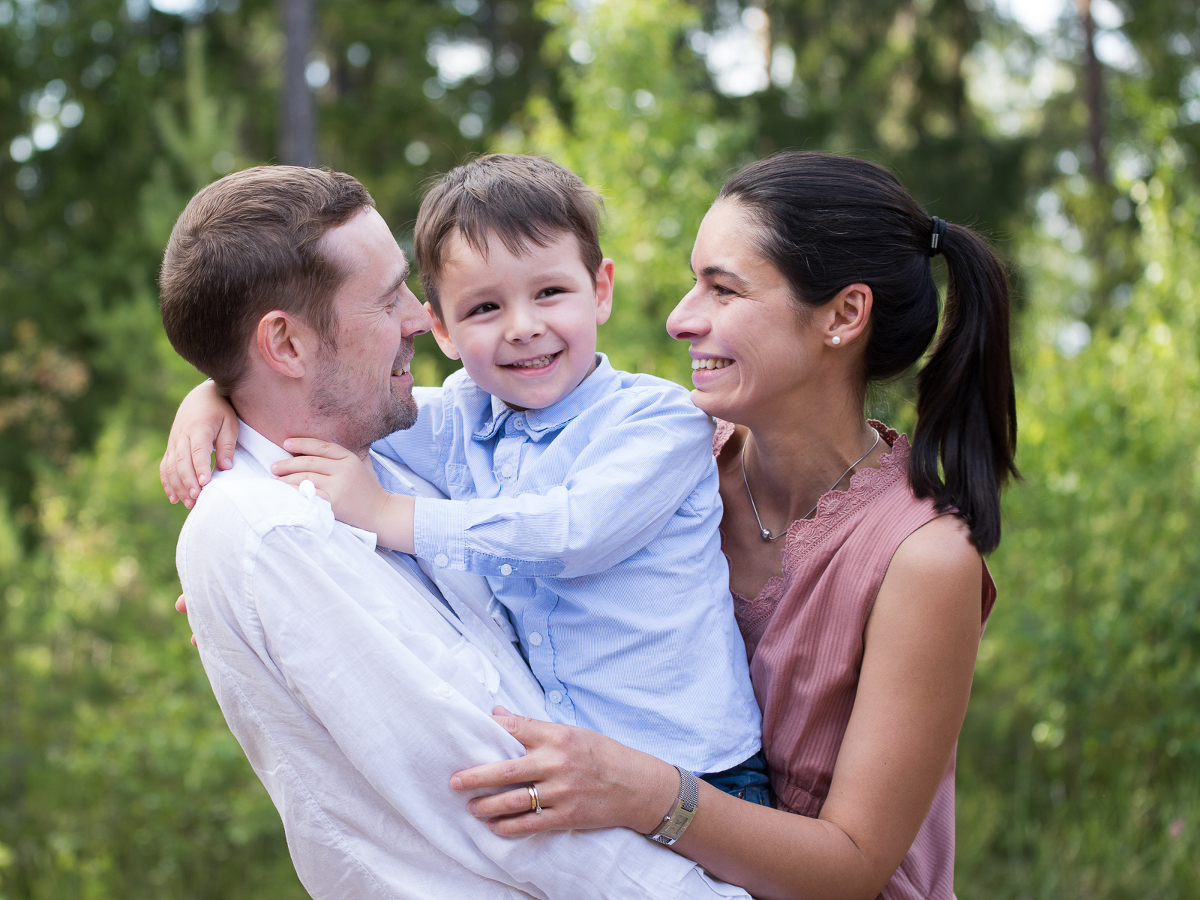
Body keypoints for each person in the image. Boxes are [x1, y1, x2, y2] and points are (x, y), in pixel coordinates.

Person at [159, 164, 752, 900]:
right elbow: (506, 816)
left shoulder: (646, 423)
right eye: (392, 299)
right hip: (616, 825)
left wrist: (382, 513)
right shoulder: (314, 507)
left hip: (703, 771)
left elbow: (572, 530)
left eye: (549, 293)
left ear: (600, 288)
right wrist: (213, 389)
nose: (416, 319)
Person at [447, 151, 1016, 900]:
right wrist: (244, 394)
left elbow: (850, 868)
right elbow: (451, 435)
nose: (681, 319)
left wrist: (646, 790)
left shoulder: (923, 558)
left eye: (723, 288)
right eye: (693, 281)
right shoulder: (662, 462)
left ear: (843, 315)